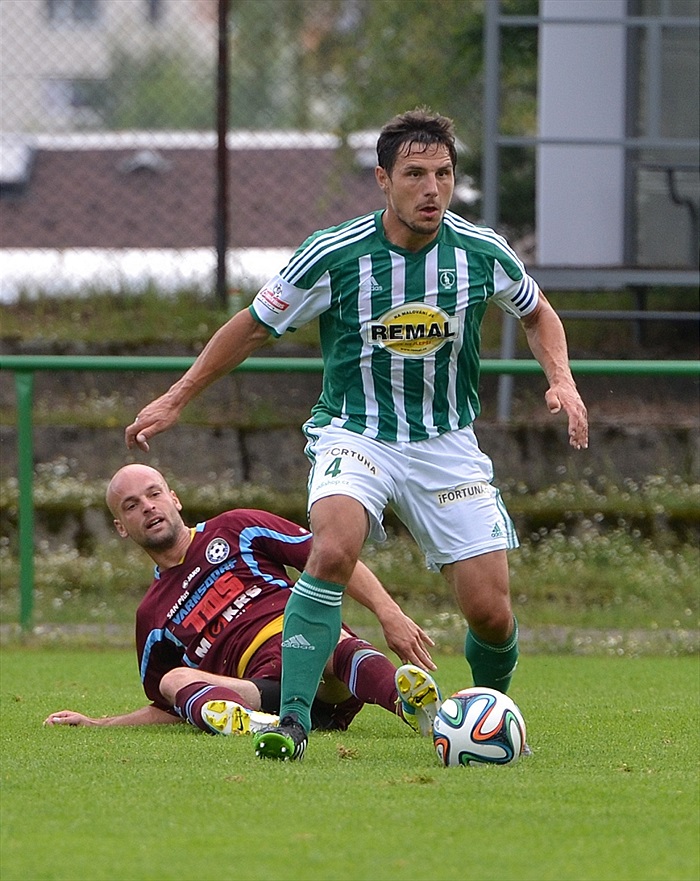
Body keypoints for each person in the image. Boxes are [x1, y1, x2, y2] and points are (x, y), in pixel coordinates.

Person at [124, 108, 588, 761]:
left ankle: (490, 720)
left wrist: (562, 380)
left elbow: (539, 312)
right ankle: (291, 723)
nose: (432, 188)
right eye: (416, 174)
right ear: (382, 179)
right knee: (333, 547)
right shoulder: (335, 252)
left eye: (444, 174)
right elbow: (253, 324)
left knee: (489, 611)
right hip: (354, 433)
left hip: (444, 442)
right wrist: (177, 397)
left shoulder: (481, 251)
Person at [44, 464, 441, 742]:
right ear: (121, 528)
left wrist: (389, 612)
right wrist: (98, 724)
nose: (147, 506)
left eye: (154, 494)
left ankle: (412, 708)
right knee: (172, 681)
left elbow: (334, 557)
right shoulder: (151, 616)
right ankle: (259, 727)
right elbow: (167, 705)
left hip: (315, 664)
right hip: (261, 692)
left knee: (329, 639)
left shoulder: (237, 528)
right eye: (131, 505)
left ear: (175, 499)